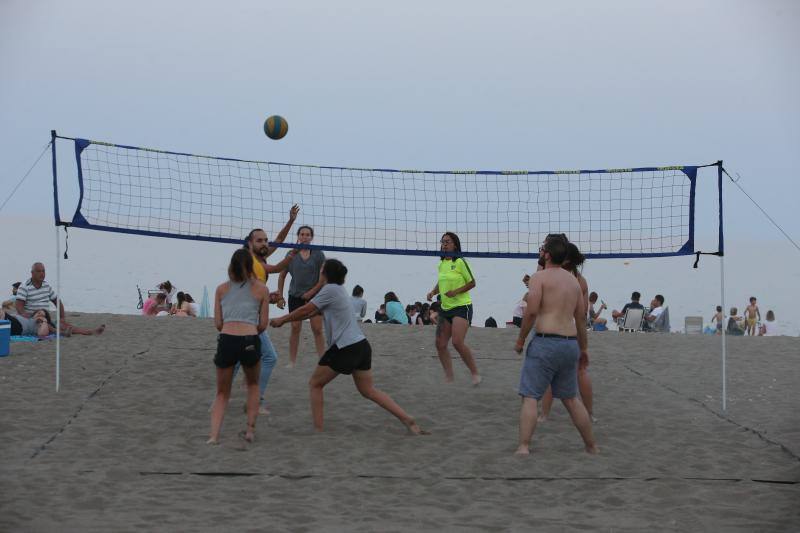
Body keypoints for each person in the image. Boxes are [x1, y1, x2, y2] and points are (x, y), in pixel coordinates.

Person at [270, 259, 427, 435]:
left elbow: (306, 310)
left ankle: (318, 431)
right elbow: (313, 310)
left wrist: (282, 320)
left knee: (315, 384)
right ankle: (407, 419)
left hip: (346, 347)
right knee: (368, 391)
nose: (319, 273)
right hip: (361, 345)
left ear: (325, 274)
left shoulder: (329, 289)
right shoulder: (338, 290)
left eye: (321, 270)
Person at [513, 234, 598, 455]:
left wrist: (521, 339)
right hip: (570, 344)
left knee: (530, 397)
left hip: (546, 342)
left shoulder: (539, 278)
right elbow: (581, 318)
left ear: (548, 254)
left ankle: (524, 446)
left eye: (543, 249)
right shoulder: (574, 281)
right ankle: (591, 446)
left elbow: (531, 311)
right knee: (571, 398)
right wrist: (584, 348)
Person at [208, 249, 269, 445]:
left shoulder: (221, 289)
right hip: (249, 338)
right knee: (253, 386)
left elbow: (218, 323)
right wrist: (249, 330)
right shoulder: (261, 289)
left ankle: (214, 436)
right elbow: (263, 324)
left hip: (227, 339)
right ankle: (250, 431)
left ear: (230, 266)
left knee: (222, 393)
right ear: (251, 267)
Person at [242, 218, 300, 413]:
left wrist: (291, 221)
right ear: (250, 243)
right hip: (246, 319)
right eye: (260, 240)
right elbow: (274, 270)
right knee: (269, 358)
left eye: (266, 240)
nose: (265, 243)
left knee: (235, 359)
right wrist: (291, 256)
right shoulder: (247, 261)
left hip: (250, 317)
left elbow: (279, 240)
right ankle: (255, 400)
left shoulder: (260, 260)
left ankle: (222, 399)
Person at [539, 242, 595, 422]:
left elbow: (540, 305)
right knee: (581, 372)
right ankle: (590, 414)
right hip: (574, 332)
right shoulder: (581, 280)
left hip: (554, 330)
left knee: (548, 372)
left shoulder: (550, 277)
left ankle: (544, 414)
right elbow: (583, 312)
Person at [426, 232, 481, 385]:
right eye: (442, 242)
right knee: (440, 344)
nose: (444, 244)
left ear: (454, 244)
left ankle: (475, 373)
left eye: (447, 242)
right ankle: (449, 376)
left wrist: (455, 292)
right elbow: (441, 282)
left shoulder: (460, 262)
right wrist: (432, 292)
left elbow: (472, 283)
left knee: (457, 342)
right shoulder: (442, 263)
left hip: (462, 307)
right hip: (446, 308)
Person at [277, 225, 326, 367]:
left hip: (315, 295)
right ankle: (292, 361)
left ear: (311, 237)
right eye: (302, 234)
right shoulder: (291, 254)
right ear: (298, 236)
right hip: (295, 296)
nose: (305, 236)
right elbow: (282, 276)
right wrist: (280, 296)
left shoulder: (318, 254)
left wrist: (312, 292)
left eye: (307, 234)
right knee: (295, 328)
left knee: (317, 329)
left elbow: (323, 279)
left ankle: (322, 360)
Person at [16, 262, 105, 335]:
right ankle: (62, 333)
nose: (42, 274)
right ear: (32, 273)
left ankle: (89, 332)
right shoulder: (25, 286)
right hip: (32, 319)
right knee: (43, 322)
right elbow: (19, 307)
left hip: (45, 316)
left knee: (62, 324)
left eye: (43, 271)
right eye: (39, 271)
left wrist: (62, 317)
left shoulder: (46, 285)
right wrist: (27, 315)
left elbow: (57, 301)